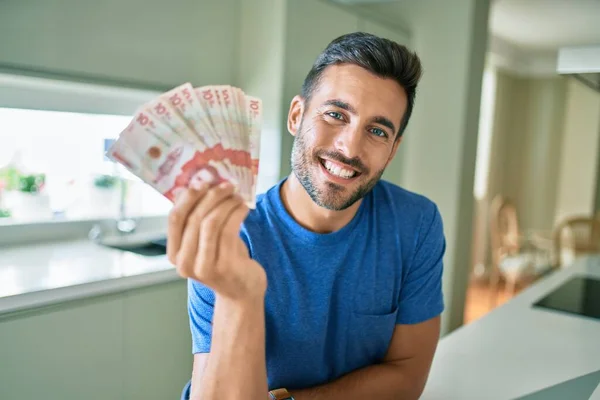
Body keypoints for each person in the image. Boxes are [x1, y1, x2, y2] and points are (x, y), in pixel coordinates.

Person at [171, 32, 445, 400]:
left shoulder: (417, 225)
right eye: (335, 114)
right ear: (297, 115)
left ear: (392, 150)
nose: (349, 147)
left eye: (377, 131)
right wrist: (242, 298)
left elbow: (407, 378)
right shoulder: (233, 234)